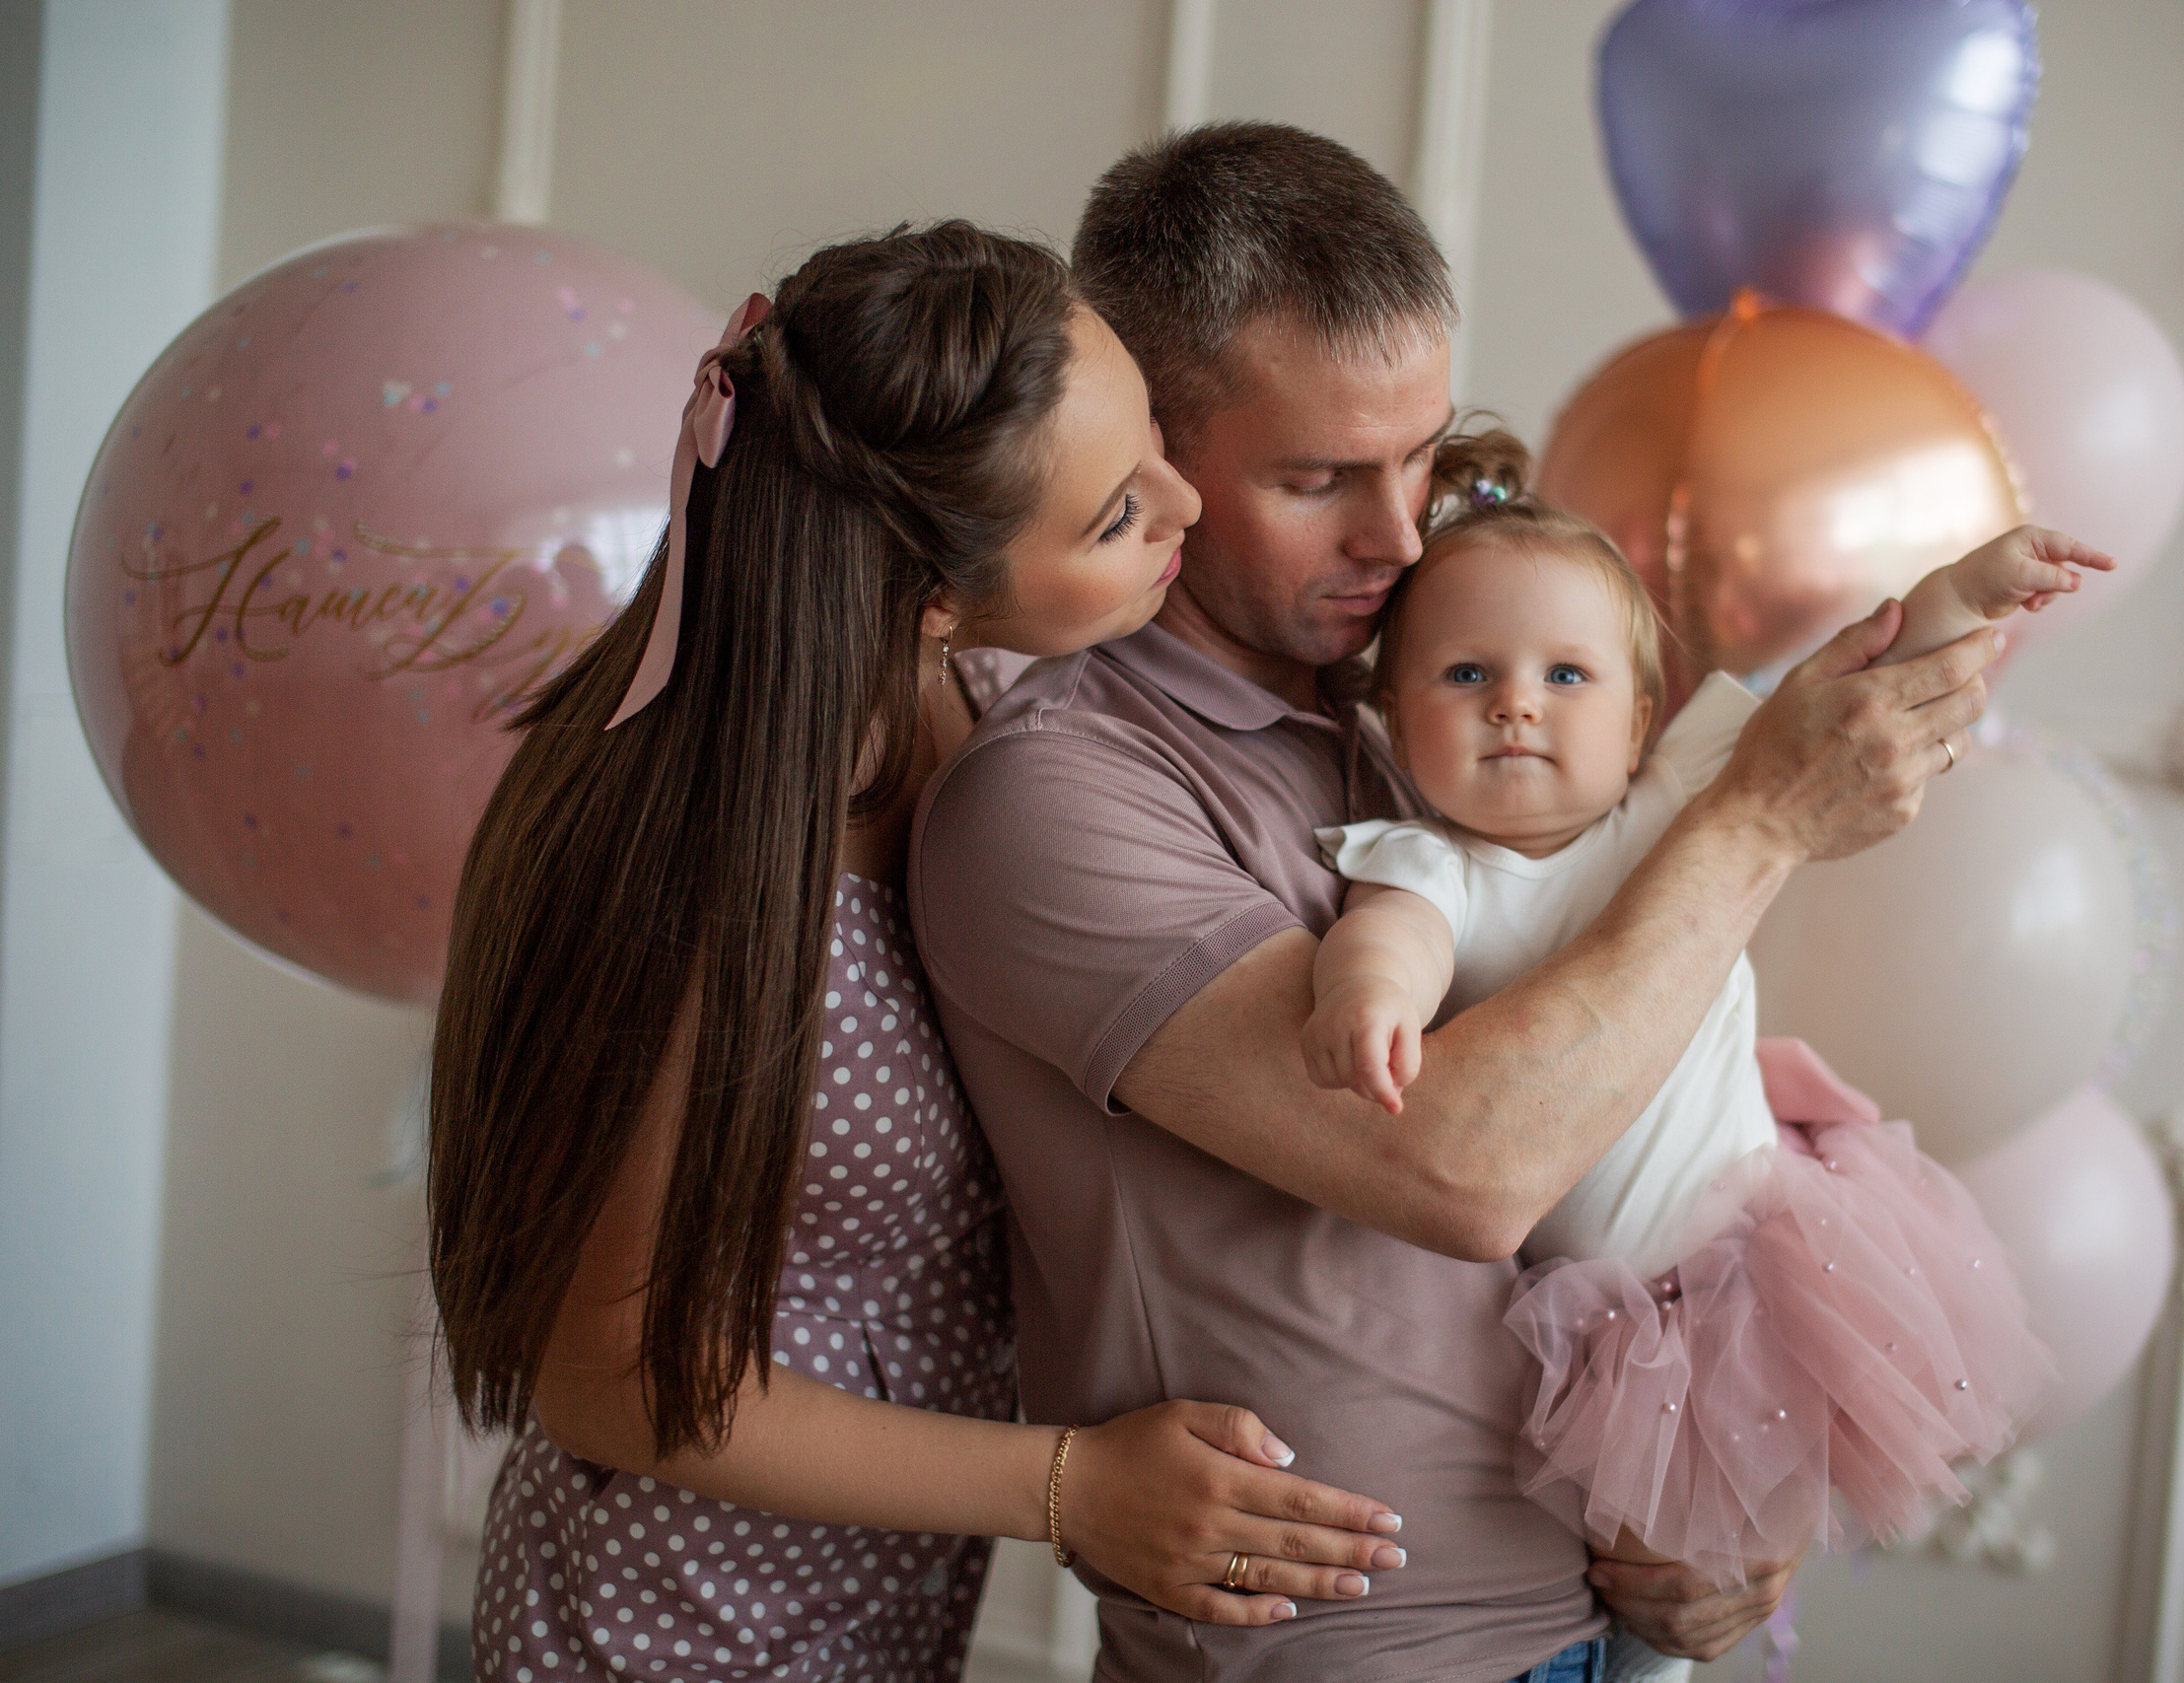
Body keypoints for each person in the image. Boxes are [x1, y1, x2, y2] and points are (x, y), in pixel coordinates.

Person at [907, 124, 2004, 1681]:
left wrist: (1727, 1511)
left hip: (1586, 1614)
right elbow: (1467, 1166)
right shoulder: (1063, 787)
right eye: (1317, 478)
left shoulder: (1410, 729)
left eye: (1418, 456)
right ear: (1149, 450)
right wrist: (1758, 816)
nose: (1403, 533)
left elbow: (1635, 1103)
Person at [427, 223, 1408, 1683]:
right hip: (674, 1629)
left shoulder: (988, 693)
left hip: (892, 1611)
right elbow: (605, 1381)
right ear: (928, 586)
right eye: (1116, 515)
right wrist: (1069, 1482)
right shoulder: (679, 865)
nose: (1186, 502)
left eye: (1153, 442)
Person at [1302, 434, 2088, 1676]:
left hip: (1756, 1254)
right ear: (1393, 720)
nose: (1517, 701)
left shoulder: (1678, 803)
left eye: (1566, 674)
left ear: (1642, 718)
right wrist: (1367, 1007)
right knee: (1624, 1558)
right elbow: (1385, 946)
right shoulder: (1429, 865)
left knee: (1709, 1556)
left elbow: (1850, 682)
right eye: (1465, 674)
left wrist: (1965, 594)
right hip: (1597, 1311)